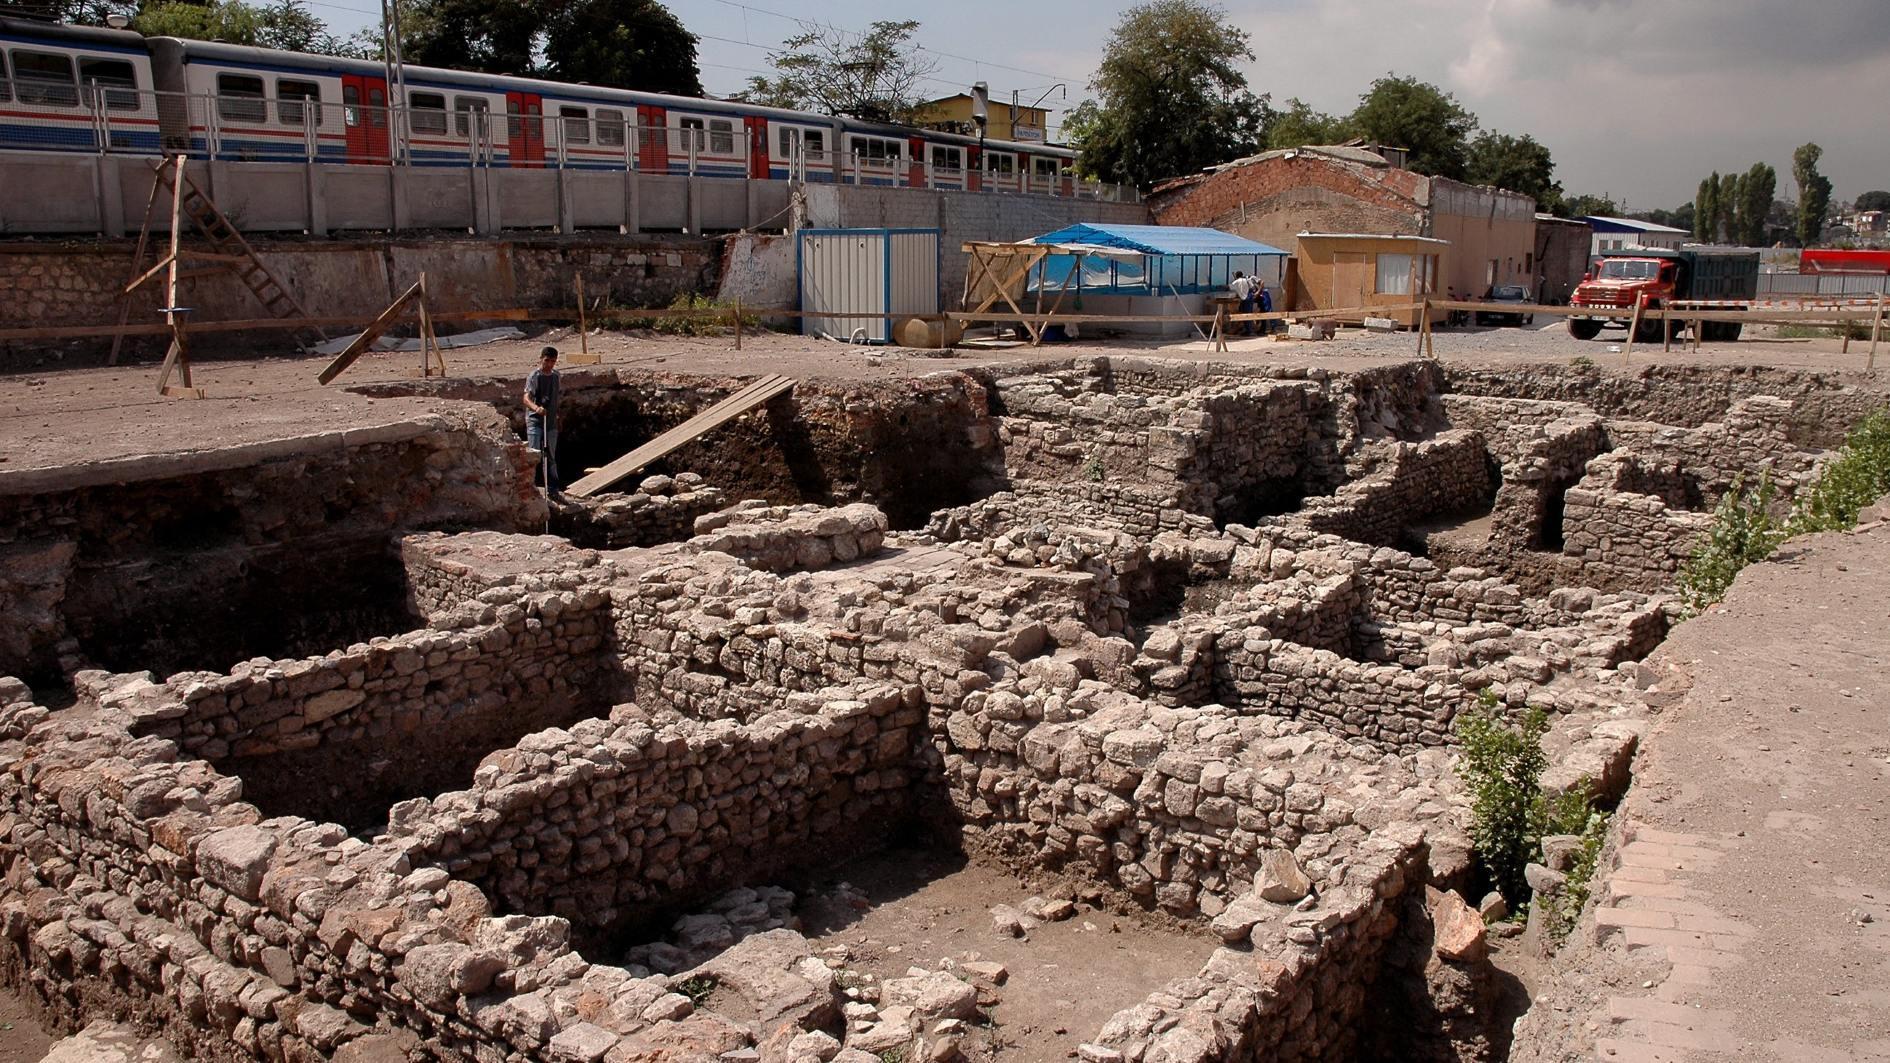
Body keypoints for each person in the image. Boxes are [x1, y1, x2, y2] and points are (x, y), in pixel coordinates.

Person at [524, 346, 561, 495]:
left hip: (551, 423)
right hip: (535, 421)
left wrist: (558, 416)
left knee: (551, 456)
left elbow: (556, 399)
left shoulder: (556, 376)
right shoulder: (534, 376)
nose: (549, 364)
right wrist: (536, 408)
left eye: (553, 361)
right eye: (547, 360)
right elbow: (526, 398)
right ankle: (531, 487)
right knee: (534, 456)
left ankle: (553, 488)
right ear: (541, 359)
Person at [1230, 271, 1256, 336]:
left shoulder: (1236, 281)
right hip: (1250, 298)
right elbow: (1253, 288)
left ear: (1236, 276)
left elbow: (1229, 287)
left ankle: (1249, 331)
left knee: (1245, 314)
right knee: (1248, 314)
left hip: (1245, 299)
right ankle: (1248, 329)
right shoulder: (1247, 280)